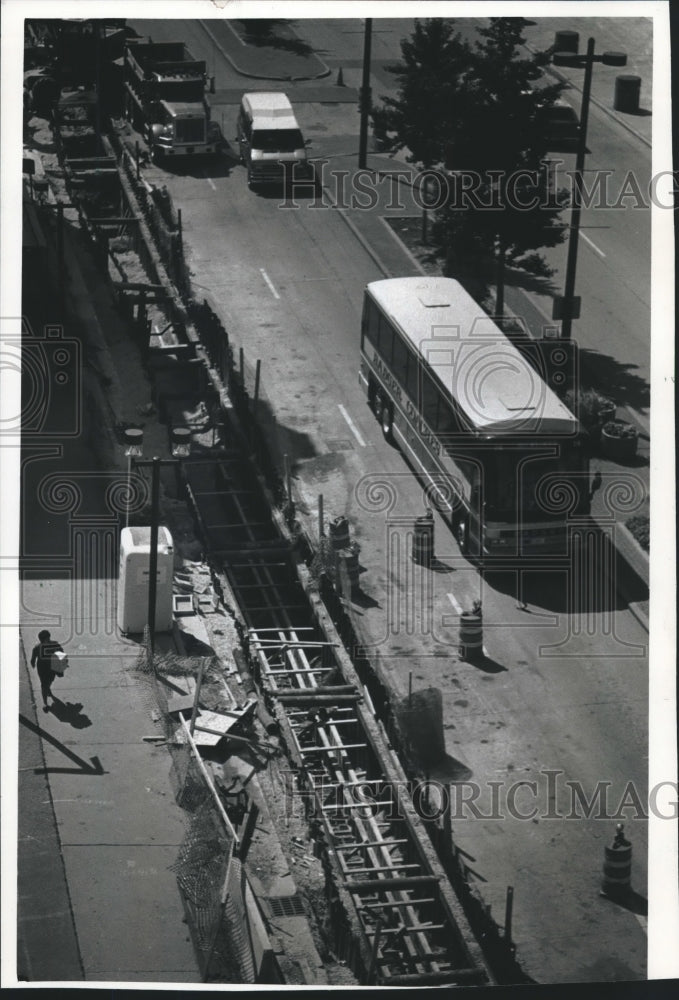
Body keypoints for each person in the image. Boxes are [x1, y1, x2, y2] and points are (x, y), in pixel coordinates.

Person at [30, 629, 64, 712]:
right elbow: (33, 658)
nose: (47, 641)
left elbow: (62, 654)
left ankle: (48, 688)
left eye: (48, 639)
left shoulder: (55, 644)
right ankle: (45, 703)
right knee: (44, 685)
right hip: (42, 669)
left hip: (52, 668)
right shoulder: (37, 648)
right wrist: (33, 663)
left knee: (50, 681)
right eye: (45, 640)